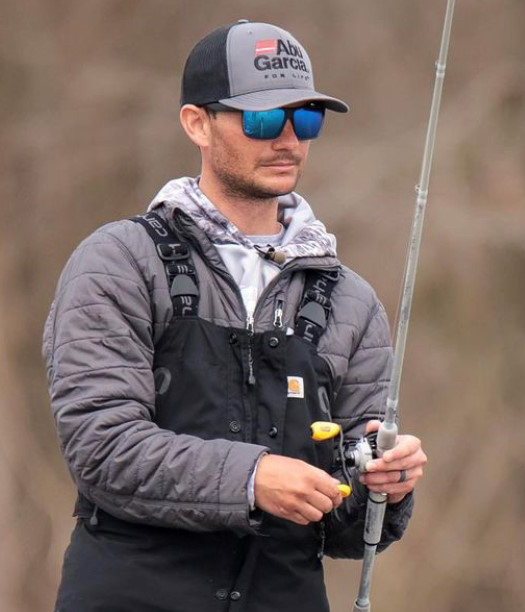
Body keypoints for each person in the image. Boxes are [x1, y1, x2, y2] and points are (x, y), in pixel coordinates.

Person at [43, 19, 427, 612]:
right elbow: (103, 449)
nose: (289, 140)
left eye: (306, 119)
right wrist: (254, 478)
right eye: (264, 119)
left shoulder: (353, 301)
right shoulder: (118, 262)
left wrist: (385, 485)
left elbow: (349, 533)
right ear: (196, 123)